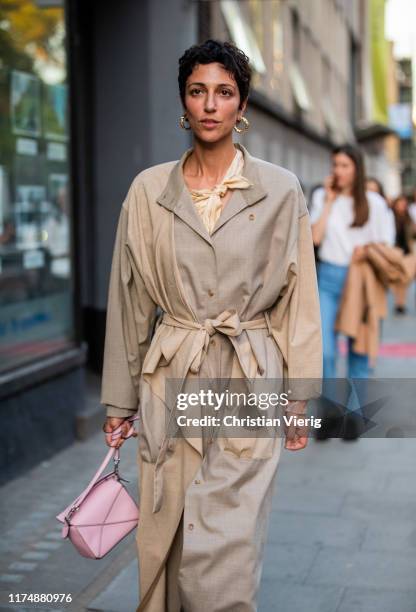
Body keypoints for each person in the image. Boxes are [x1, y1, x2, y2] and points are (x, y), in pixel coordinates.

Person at [100, 39, 322, 612]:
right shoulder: (149, 191)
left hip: (250, 377)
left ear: (242, 104)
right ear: (183, 99)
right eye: (198, 91)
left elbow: (299, 301)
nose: (210, 104)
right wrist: (119, 403)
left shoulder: (281, 190)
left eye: (224, 92)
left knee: (224, 546)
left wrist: (300, 399)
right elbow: (128, 301)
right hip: (171, 373)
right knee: (167, 532)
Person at [310, 144, 394, 380]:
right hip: (328, 279)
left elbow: (385, 243)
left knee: (359, 352)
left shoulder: (374, 202)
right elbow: (314, 238)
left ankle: (356, 412)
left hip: (360, 278)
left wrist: (365, 251)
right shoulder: (321, 197)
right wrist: (328, 202)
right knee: (324, 352)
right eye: (335, 165)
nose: (338, 171)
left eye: (345, 165)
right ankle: (331, 411)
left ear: (357, 169)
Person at [390, 194, 416, 314]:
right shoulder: (390, 218)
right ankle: (398, 303)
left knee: (405, 280)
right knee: (397, 279)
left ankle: (401, 303)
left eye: (404, 204)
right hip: (394, 252)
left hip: (407, 253)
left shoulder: (409, 219)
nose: (401, 207)